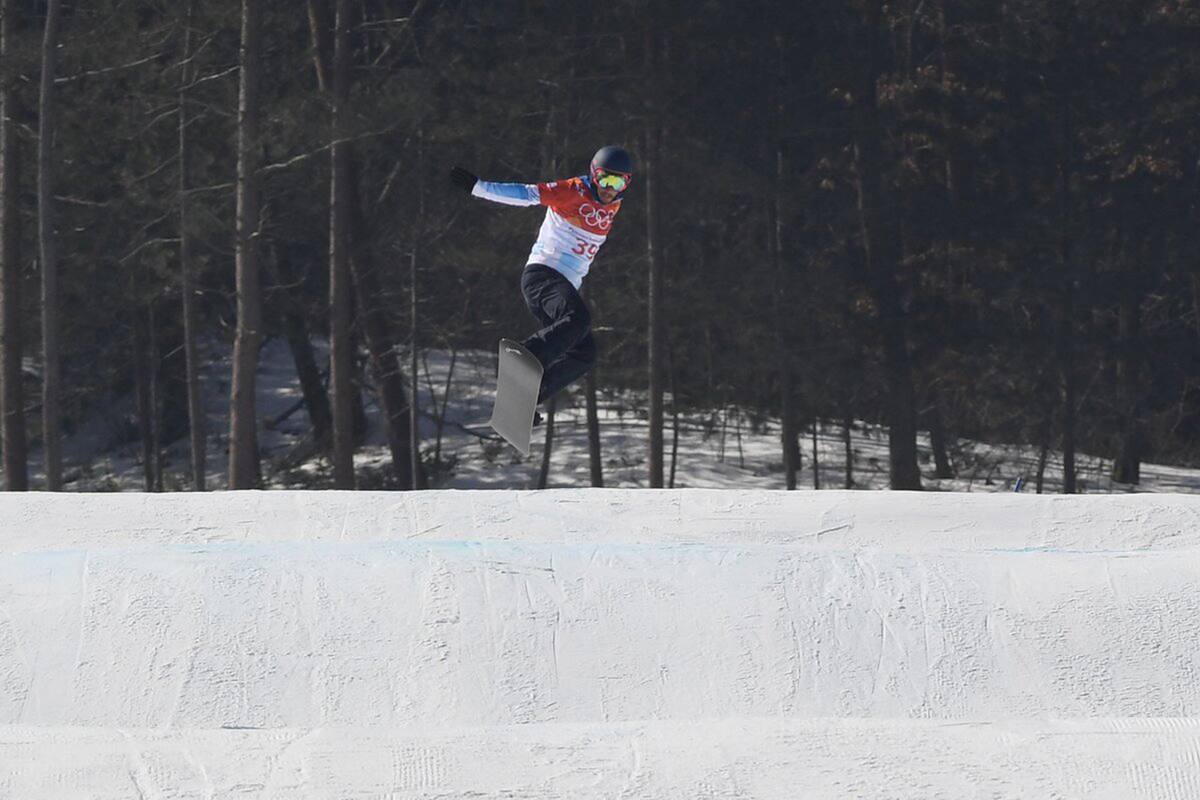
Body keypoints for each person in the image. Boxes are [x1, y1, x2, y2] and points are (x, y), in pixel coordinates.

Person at [450, 146, 633, 417]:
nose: (610, 188)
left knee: (586, 353)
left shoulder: (614, 203)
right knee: (578, 318)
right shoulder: (573, 191)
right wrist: (479, 187)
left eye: (619, 183)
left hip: (563, 287)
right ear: (594, 175)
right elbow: (526, 194)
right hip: (543, 276)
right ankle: (522, 359)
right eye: (606, 179)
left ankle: (525, 398)